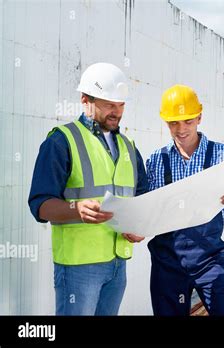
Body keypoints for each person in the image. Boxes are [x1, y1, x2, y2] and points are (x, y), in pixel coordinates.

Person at [28, 62, 148, 315]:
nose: (116, 112)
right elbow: (39, 204)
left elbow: (141, 198)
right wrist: (76, 209)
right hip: (79, 267)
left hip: (118, 264)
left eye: (121, 104)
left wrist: (139, 227)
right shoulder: (61, 140)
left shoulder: (128, 147)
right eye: (108, 104)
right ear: (85, 100)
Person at [146, 84, 224, 316]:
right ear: (166, 122)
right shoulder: (155, 160)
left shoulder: (222, 155)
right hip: (167, 263)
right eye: (174, 122)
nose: (181, 129)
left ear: (199, 117)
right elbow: (149, 211)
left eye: (188, 121)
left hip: (210, 260)